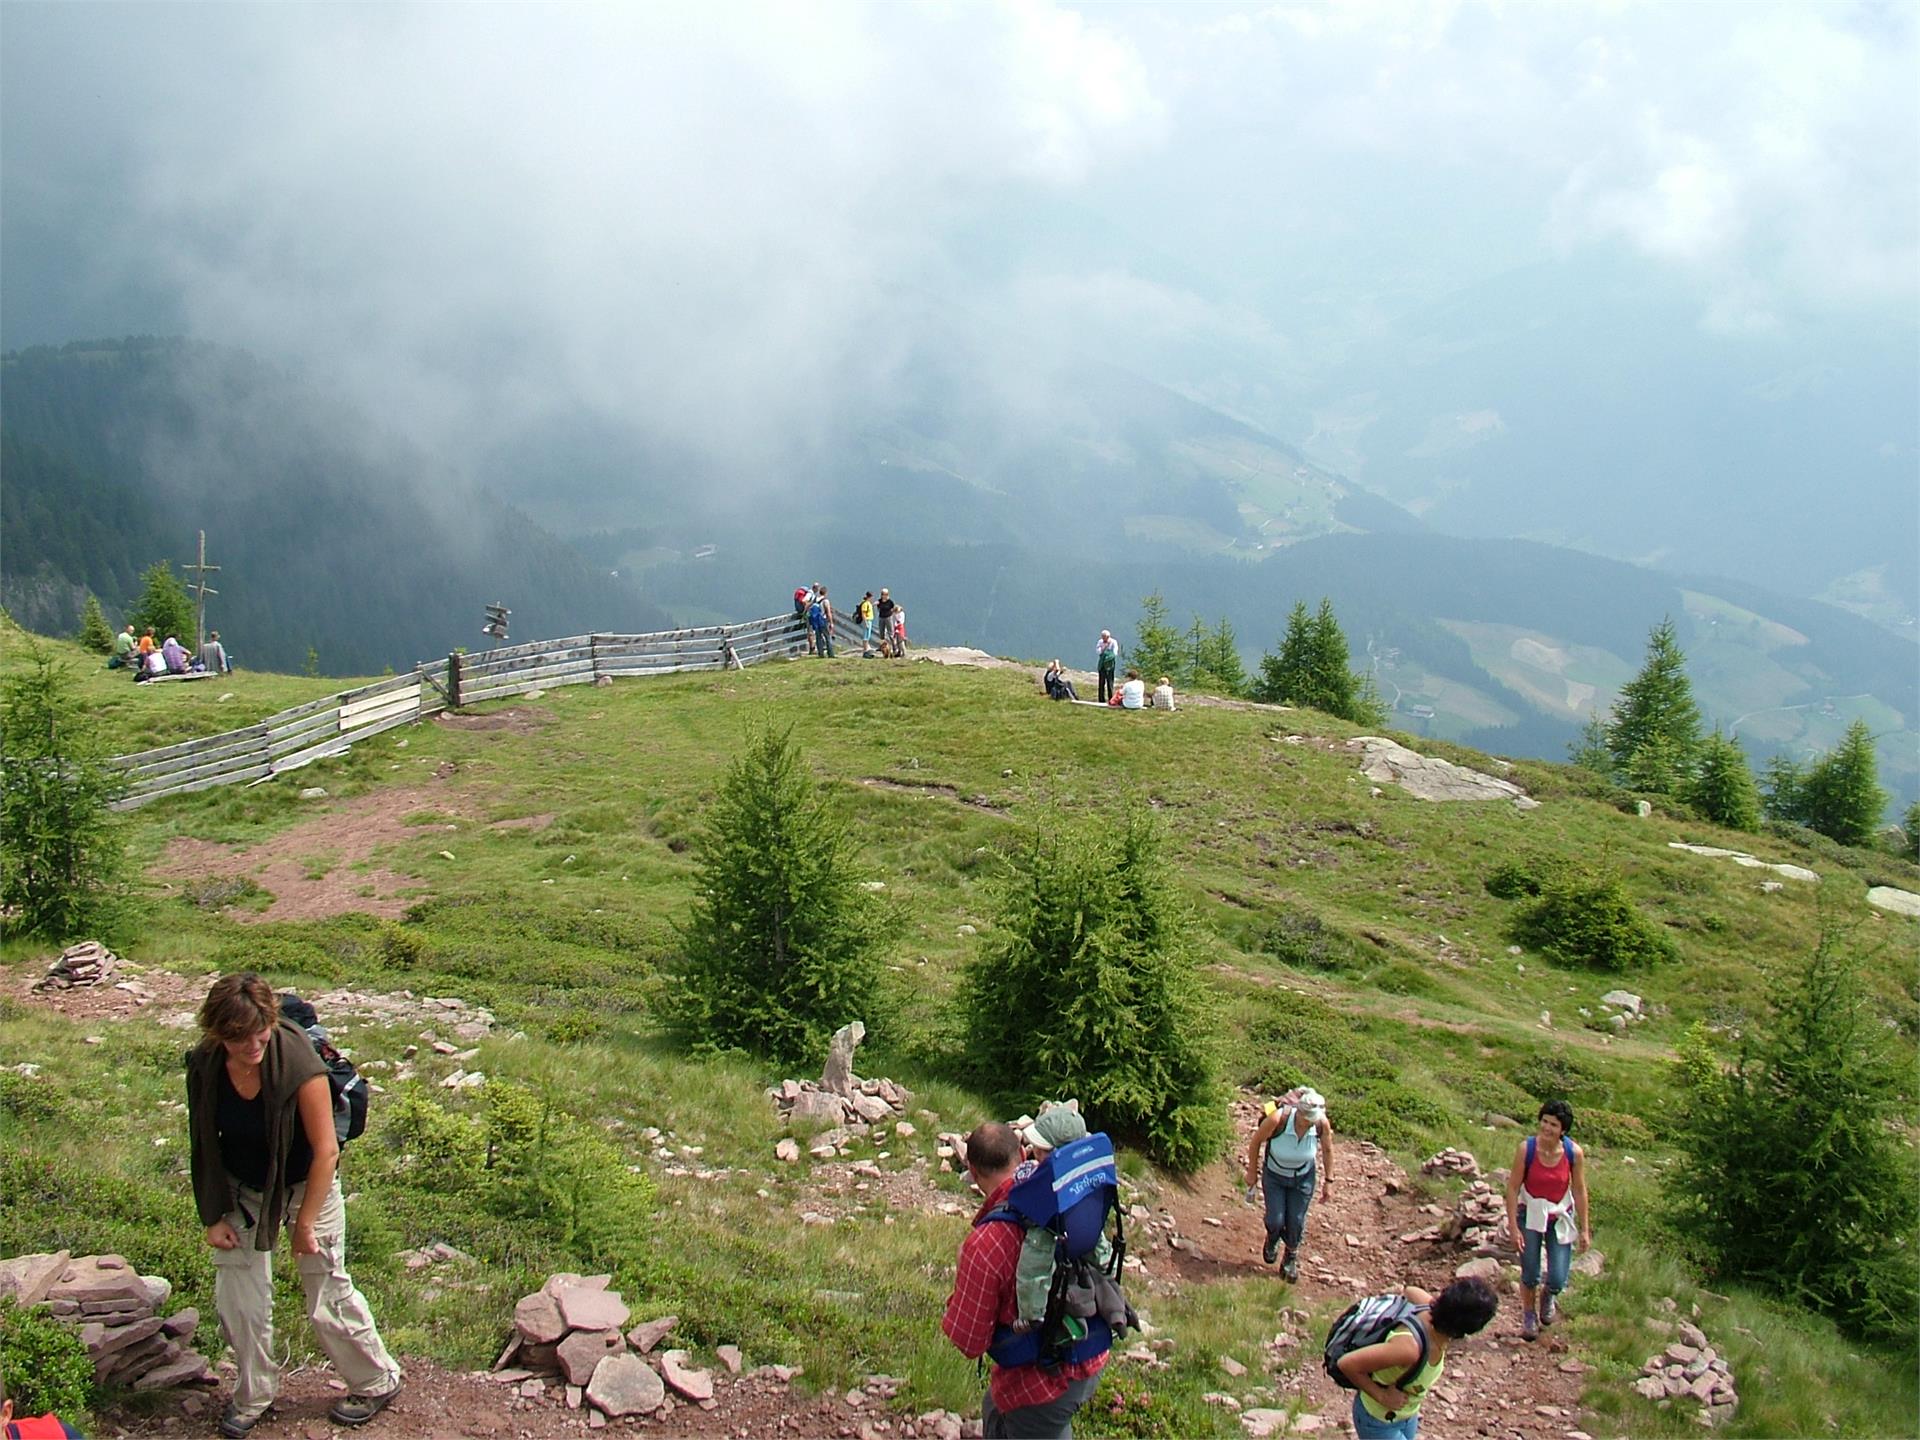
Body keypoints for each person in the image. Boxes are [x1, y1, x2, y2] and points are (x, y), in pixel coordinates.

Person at [187, 974, 402, 1437]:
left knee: (326, 1287)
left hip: (308, 1181)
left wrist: (305, 1224)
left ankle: (376, 1379)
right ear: (217, 1033)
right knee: (239, 1296)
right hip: (244, 1186)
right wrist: (213, 1214)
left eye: (258, 1032)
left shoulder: (298, 1063)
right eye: (236, 1037)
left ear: (270, 1020)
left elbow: (326, 1150)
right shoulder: (205, 1063)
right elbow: (203, 1139)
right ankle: (253, 1394)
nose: (250, 1045)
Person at [942, 1121, 1108, 1438]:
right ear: (1022, 1152)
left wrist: (953, 1306)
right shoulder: (1060, 1194)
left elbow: (970, 1342)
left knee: (1017, 1418)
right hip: (1091, 1349)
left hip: (1043, 1381)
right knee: (1002, 1408)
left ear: (973, 1172)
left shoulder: (985, 1245)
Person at [1336, 1278, 1499, 1439]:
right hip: (1378, 1420)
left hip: (1407, 1416)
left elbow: (1409, 1290)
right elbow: (1347, 1364)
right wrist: (1382, 1396)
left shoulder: (1429, 1308)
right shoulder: (1409, 1348)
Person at [1504, 1100, 1590, 1340]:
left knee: (1558, 1277)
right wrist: (1513, 1226)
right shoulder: (1527, 1149)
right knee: (1530, 1272)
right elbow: (1512, 1188)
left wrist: (1584, 1229)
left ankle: (1549, 1295)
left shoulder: (1574, 1153)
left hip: (1560, 1214)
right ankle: (1529, 1315)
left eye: (1553, 1124)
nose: (1547, 1128)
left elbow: (1580, 1190)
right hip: (1530, 1211)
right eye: (1544, 1121)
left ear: (1563, 1130)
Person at [1243, 1087, 1334, 1279]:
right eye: (1307, 1118)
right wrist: (1252, 1171)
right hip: (1275, 1176)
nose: (1310, 1122)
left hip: (1303, 1178)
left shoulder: (1321, 1124)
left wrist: (1329, 1180)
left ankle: (1290, 1257)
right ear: (1299, 1112)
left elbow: (1327, 1150)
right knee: (1275, 1219)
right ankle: (1273, 1237)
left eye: (1313, 1118)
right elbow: (1256, 1141)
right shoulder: (1278, 1119)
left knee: (1296, 1221)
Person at [809, 586, 835, 658]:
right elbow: (828, 612)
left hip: (816, 622)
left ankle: (820, 654)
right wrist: (831, 623)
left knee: (818, 637)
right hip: (823, 621)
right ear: (826, 593)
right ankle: (831, 654)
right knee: (827, 637)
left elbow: (809, 607)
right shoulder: (825, 601)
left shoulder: (815, 599)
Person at [1094, 631, 1119, 704]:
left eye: (1105, 637)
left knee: (1110, 682)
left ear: (1108, 637)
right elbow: (1098, 651)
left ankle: (1111, 699)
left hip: (1109, 664)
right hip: (1102, 664)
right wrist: (1103, 648)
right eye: (1103, 637)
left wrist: (1107, 655)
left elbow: (1115, 653)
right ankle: (1101, 699)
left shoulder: (1113, 642)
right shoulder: (1100, 642)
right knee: (1101, 682)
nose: (1104, 639)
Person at [876, 589, 898, 657]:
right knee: (881, 634)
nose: (883, 596)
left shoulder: (890, 602)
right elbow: (878, 608)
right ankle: (882, 648)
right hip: (881, 617)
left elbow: (893, 608)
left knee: (891, 633)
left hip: (888, 617)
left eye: (885, 594)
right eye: (882, 594)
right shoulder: (879, 601)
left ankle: (895, 648)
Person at [856, 592, 877, 656]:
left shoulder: (869, 603)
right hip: (867, 620)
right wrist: (865, 622)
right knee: (866, 635)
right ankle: (865, 650)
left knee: (868, 635)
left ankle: (867, 648)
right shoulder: (865, 604)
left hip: (869, 620)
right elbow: (863, 614)